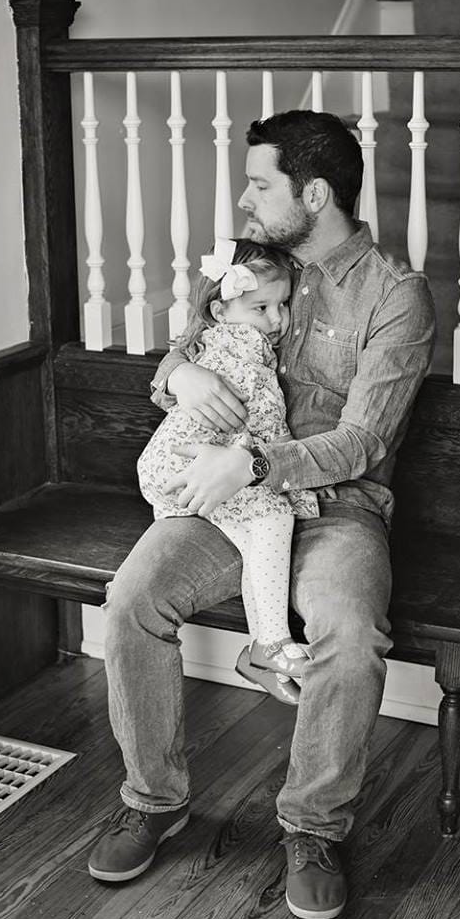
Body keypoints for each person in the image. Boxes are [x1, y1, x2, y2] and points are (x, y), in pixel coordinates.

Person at [88, 110, 435, 919]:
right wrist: (177, 373)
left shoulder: (395, 295)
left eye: (258, 183)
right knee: (132, 598)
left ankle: (312, 829)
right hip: (226, 498)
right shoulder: (247, 265)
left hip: (336, 506)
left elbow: (363, 440)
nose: (244, 199)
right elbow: (193, 343)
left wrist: (253, 462)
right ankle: (153, 801)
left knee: (349, 633)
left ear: (312, 194)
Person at [137, 237, 319, 703]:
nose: (277, 320)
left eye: (282, 305)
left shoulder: (220, 337)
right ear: (221, 310)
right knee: (275, 517)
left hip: (174, 466)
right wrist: (299, 489)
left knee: (261, 535)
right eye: (261, 308)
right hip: (187, 465)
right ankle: (270, 643)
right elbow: (268, 420)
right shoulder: (244, 349)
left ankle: (263, 650)